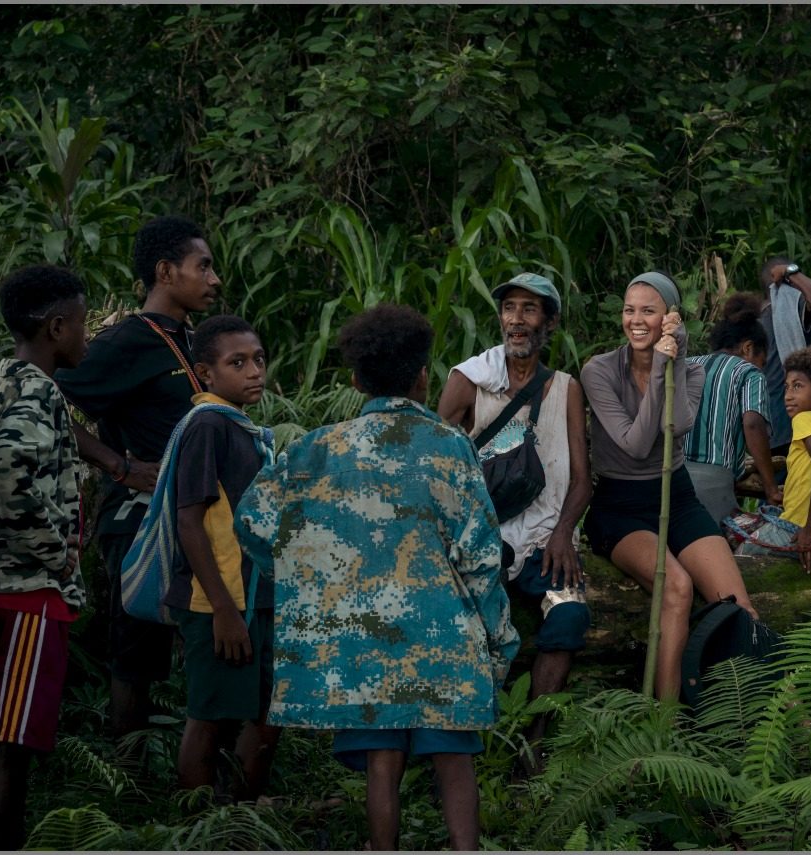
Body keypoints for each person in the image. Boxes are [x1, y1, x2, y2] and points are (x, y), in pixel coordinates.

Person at [235, 305, 518, 851]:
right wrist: (500, 638)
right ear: (421, 378)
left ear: (356, 381)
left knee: (380, 765)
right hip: (443, 641)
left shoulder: (314, 449)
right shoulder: (449, 447)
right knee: (455, 761)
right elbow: (481, 556)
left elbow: (252, 521)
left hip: (359, 646)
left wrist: (312, 580)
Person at [56, 215, 221, 736]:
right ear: (166, 271)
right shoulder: (128, 339)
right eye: (204, 266)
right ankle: (125, 788)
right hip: (139, 522)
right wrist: (118, 465)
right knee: (137, 650)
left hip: (196, 514)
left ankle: (192, 783)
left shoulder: (194, 340)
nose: (214, 279)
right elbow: (50, 402)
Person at [580, 271, 756, 702]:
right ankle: (665, 717)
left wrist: (671, 363)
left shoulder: (691, 372)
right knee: (676, 586)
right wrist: (659, 365)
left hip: (677, 497)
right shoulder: (598, 371)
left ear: (671, 319)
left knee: (738, 605)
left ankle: (761, 707)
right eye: (629, 310)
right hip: (620, 506)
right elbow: (637, 445)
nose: (636, 320)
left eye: (648, 311)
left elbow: (674, 426)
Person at [437, 272, 590, 760]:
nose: (517, 320)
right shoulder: (469, 380)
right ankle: (462, 744)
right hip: (485, 535)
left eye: (529, 309)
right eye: (510, 309)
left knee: (568, 614)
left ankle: (532, 741)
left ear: (548, 322)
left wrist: (563, 534)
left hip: (547, 534)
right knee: (465, 622)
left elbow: (583, 477)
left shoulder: (565, 388)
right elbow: (437, 467)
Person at [0, 266, 90, 849]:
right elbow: (6, 473)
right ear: (55, 328)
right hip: (24, 596)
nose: (85, 337)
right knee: (8, 747)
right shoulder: (40, 392)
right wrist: (56, 553)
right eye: (80, 325)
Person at [154, 315, 280, 802]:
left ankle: (242, 815)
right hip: (218, 605)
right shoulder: (208, 425)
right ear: (205, 373)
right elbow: (190, 522)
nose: (254, 371)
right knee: (208, 717)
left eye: (259, 360)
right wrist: (225, 611)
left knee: (267, 710)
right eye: (238, 363)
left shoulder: (242, 427)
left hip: (254, 597)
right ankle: (199, 828)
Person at [736, 346, 811, 570]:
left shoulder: (805, 419)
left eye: (798, 387)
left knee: (740, 552)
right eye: (787, 388)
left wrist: (810, 528)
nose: (789, 396)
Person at [683, 292, 782, 524]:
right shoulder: (749, 372)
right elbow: (753, 423)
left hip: (672, 476)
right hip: (714, 481)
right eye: (763, 361)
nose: (762, 367)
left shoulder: (687, 365)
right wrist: (771, 488)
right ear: (748, 348)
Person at [757, 257, 811, 455]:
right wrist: (791, 272)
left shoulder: (756, 319)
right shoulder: (788, 311)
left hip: (765, 425)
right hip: (790, 422)